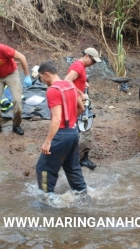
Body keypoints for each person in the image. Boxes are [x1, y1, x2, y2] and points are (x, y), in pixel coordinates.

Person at [35, 60, 87, 194]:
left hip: (61, 135)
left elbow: (56, 119)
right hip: (74, 132)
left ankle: (46, 198)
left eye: (41, 78)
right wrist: (70, 120)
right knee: (72, 167)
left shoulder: (52, 90)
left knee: (43, 168)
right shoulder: (70, 85)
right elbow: (81, 108)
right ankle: (83, 194)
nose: (43, 81)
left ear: (46, 74)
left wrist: (48, 142)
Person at [65, 48, 102, 169]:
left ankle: (70, 155)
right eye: (93, 61)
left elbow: (75, 79)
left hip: (76, 102)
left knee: (74, 129)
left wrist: (83, 82)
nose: (93, 64)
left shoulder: (80, 66)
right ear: (86, 56)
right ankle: (82, 159)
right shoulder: (79, 66)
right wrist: (80, 94)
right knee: (86, 130)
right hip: (75, 102)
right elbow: (66, 81)